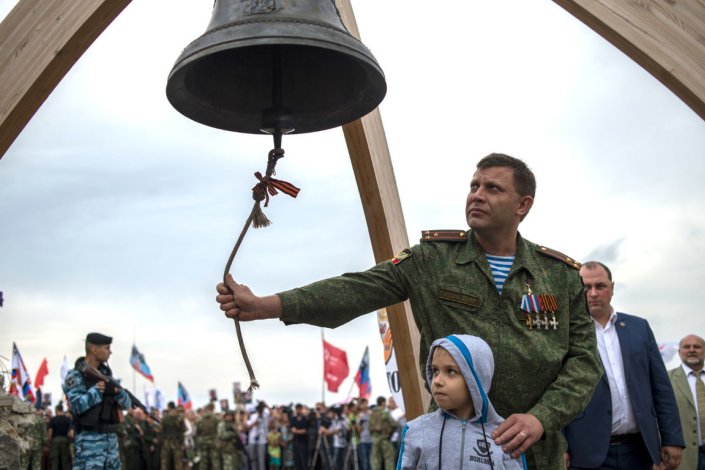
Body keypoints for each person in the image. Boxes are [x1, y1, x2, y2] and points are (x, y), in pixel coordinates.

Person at [216, 153, 601, 468]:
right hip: (450, 451)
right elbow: (355, 290)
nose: (477, 195)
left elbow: (583, 363)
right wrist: (265, 306)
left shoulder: (560, 276)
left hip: (532, 450)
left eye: (492, 188)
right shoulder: (433, 260)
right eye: (474, 186)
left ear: (523, 205)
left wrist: (542, 417)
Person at [563, 261, 684, 469]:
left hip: (639, 450)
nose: (592, 293)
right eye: (585, 287)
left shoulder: (639, 328)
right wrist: (560, 445)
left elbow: (661, 387)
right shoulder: (564, 332)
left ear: (612, 288)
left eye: (600, 286)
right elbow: (556, 391)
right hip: (586, 453)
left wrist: (672, 438)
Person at [397, 334, 526, 469]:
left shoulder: (506, 437)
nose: (437, 381)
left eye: (450, 371)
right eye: (435, 371)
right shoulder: (416, 431)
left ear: (475, 379)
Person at [63, 332, 132, 470]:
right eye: (107, 348)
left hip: (110, 443)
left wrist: (116, 391)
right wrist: (97, 391)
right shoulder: (75, 376)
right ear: (94, 350)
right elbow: (76, 406)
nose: (110, 352)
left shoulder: (107, 376)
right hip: (89, 442)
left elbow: (127, 404)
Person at [668, 334, 705, 469]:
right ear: (679, 352)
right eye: (686, 347)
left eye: (697, 347)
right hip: (684, 457)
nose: (692, 350)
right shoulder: (666, 380)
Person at [368, 396, 397, 470]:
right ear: (382, 402)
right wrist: (389, 434)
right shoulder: (385, 412)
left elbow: (369, 427)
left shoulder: (371, 413)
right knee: (389, 458)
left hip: (375, 440)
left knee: (375, 461)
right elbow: (394, 424)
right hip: (384, 439)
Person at [159, 401, 185, 470]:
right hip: (177, 442)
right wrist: (181, 442)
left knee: (165, 462)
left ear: (169, 407)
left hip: (167, 441)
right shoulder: (179, 418)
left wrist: (162, 441)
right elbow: (183, 430)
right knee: (178, 462)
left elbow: (161, 431)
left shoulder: (165, 418)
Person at [48, 404, 73, 470]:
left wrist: (50, 441)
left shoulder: (53, 419)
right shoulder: (68, 419)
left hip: (55, 440)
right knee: (65, 461)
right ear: (62, 409)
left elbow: (50, 432)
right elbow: (71, 433)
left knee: (54, 460)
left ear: (56, 410)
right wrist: (70, 440)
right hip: (65, 440)